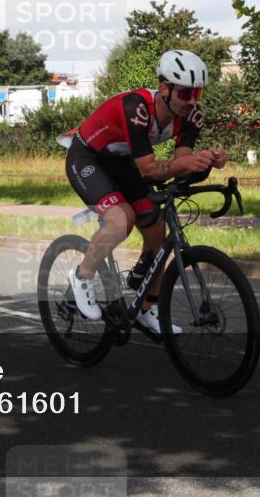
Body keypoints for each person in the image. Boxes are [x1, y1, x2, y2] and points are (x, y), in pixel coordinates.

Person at [59, 49, 226, 334]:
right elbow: (149, 169)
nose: (192, 102)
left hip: (123, 163)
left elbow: (180, 166)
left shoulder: (191, 116)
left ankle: (147, 309)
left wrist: (205, 162)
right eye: (185, 94)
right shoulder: (136, 108)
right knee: (121, 219)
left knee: (156, 232)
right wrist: (183, 162)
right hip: (88, 157)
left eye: (197, 94)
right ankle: (82, 275)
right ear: (164, 89)